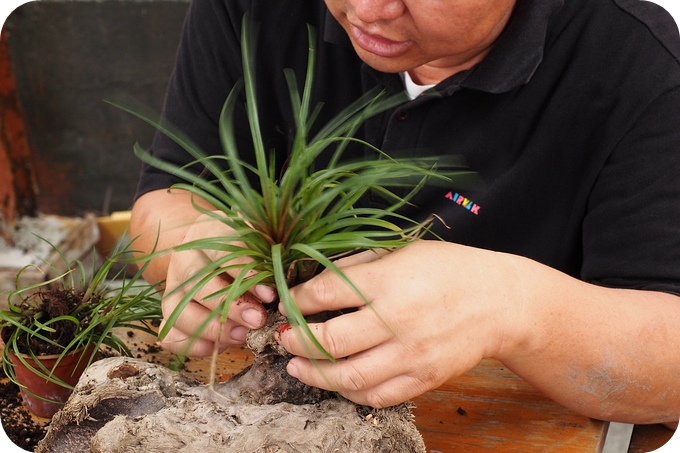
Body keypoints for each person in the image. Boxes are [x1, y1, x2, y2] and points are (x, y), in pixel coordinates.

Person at [130, 0, 680, 428]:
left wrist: (513, 308)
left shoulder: (638, 63)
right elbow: (167, 197)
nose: (369, 11)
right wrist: (193, 248)